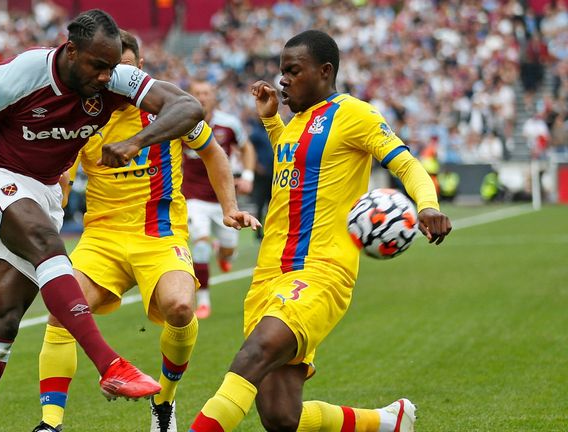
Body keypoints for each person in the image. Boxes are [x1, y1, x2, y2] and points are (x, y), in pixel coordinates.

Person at [0, 10, 207, 432]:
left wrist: (138, 141)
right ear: (71, 50)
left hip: (43, 192)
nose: (105, 77)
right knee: (48, 245)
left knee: (2, 323)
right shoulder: (22, 73)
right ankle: (110, 362)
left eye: (111, 67)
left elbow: (188, 107)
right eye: (98, 66)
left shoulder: (113, 78)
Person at [188, 30, 452, 432]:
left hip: (320, 272)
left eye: (293, 71)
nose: (283, 80)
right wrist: (271, 120)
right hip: (267, 275)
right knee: (280, 417)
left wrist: (428, 205)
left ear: (325, 71)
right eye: (281, 72)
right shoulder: (293, 125)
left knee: (253, 355)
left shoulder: (354, 115)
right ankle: (387, 422)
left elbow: (407, 164)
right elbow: (295, 167)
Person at [31, 30, 259, 432]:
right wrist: (53, 203)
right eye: (102, 69)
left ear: (139, 71)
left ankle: (164, 402)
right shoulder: (82, 113)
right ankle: (51, 424)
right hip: (102, 237)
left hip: (159, 232)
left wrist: (229, 208)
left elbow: (212, 151)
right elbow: (61, 174)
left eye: (120, 68)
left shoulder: (166, 111)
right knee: (61, 309)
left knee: (181, 307)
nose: (110, 78)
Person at [183, 80, 257, 319]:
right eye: (197, 93)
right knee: (200, 246)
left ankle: (224, 253)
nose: (202, 97)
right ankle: (203, 301)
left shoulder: (229, 123)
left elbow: (247, 149)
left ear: (214, 97)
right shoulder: (181, 123)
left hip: (225, 200)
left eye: (206, 93)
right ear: (190, 96)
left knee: (228, 251)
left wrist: (247, 176)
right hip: (193, 198)